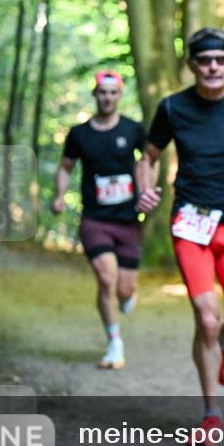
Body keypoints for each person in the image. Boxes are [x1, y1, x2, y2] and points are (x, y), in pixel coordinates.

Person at [136, 28, 224, 446]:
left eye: (220, 59)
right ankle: (211, 413)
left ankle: (221, 346)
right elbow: (147, 158)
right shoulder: (172, 107)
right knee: (207, 317)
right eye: (204, 60)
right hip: (190, 227)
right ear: (191, 65)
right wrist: (144, 189)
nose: (213, 67)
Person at [53, 70, 146, 370]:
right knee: (107, 279)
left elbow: (148, 161)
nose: (107, 97)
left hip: (128, 220)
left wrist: (147, 191)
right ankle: (114, 343)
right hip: (95, 219)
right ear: (95, 94)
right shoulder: (79, 134)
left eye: (112, 92)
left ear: (120, 95)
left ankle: (127, 296)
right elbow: (66, 167)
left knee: (123, 289)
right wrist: (59, 195)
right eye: (102, 92)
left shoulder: (133, 129)